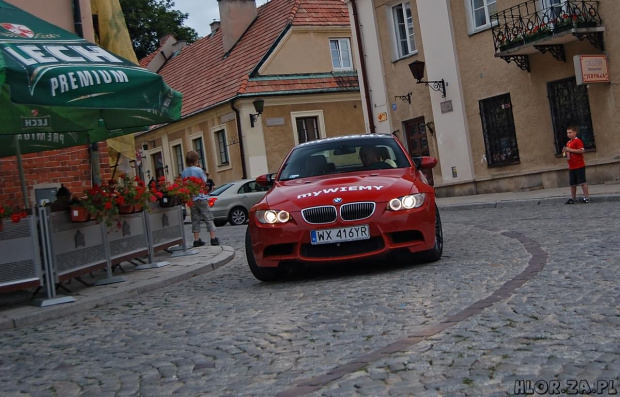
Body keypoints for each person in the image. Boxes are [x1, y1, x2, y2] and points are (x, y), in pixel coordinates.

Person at [182, 151, 220, 246]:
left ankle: (196, 240)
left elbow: (184, 184)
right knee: (208, 217)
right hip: (201, 197)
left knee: (195, 219)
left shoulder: (184, 172)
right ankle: (213, 238)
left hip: (192, 198)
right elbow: (204, 180)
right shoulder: (198, 170)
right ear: (196, 160)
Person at [563, 125, 590, 204]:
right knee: (572, 184)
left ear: (575, 133)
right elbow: (568, 154)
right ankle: (573, 198)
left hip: (579, 165)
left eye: (570, 132)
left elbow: (581, 151)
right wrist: (565, 153)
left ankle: (586, 197)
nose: (568, 134)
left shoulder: (577, 141)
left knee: (582, 182)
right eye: (567, 133)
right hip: (571, 166)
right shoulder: (568, 143)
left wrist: (570, 150)